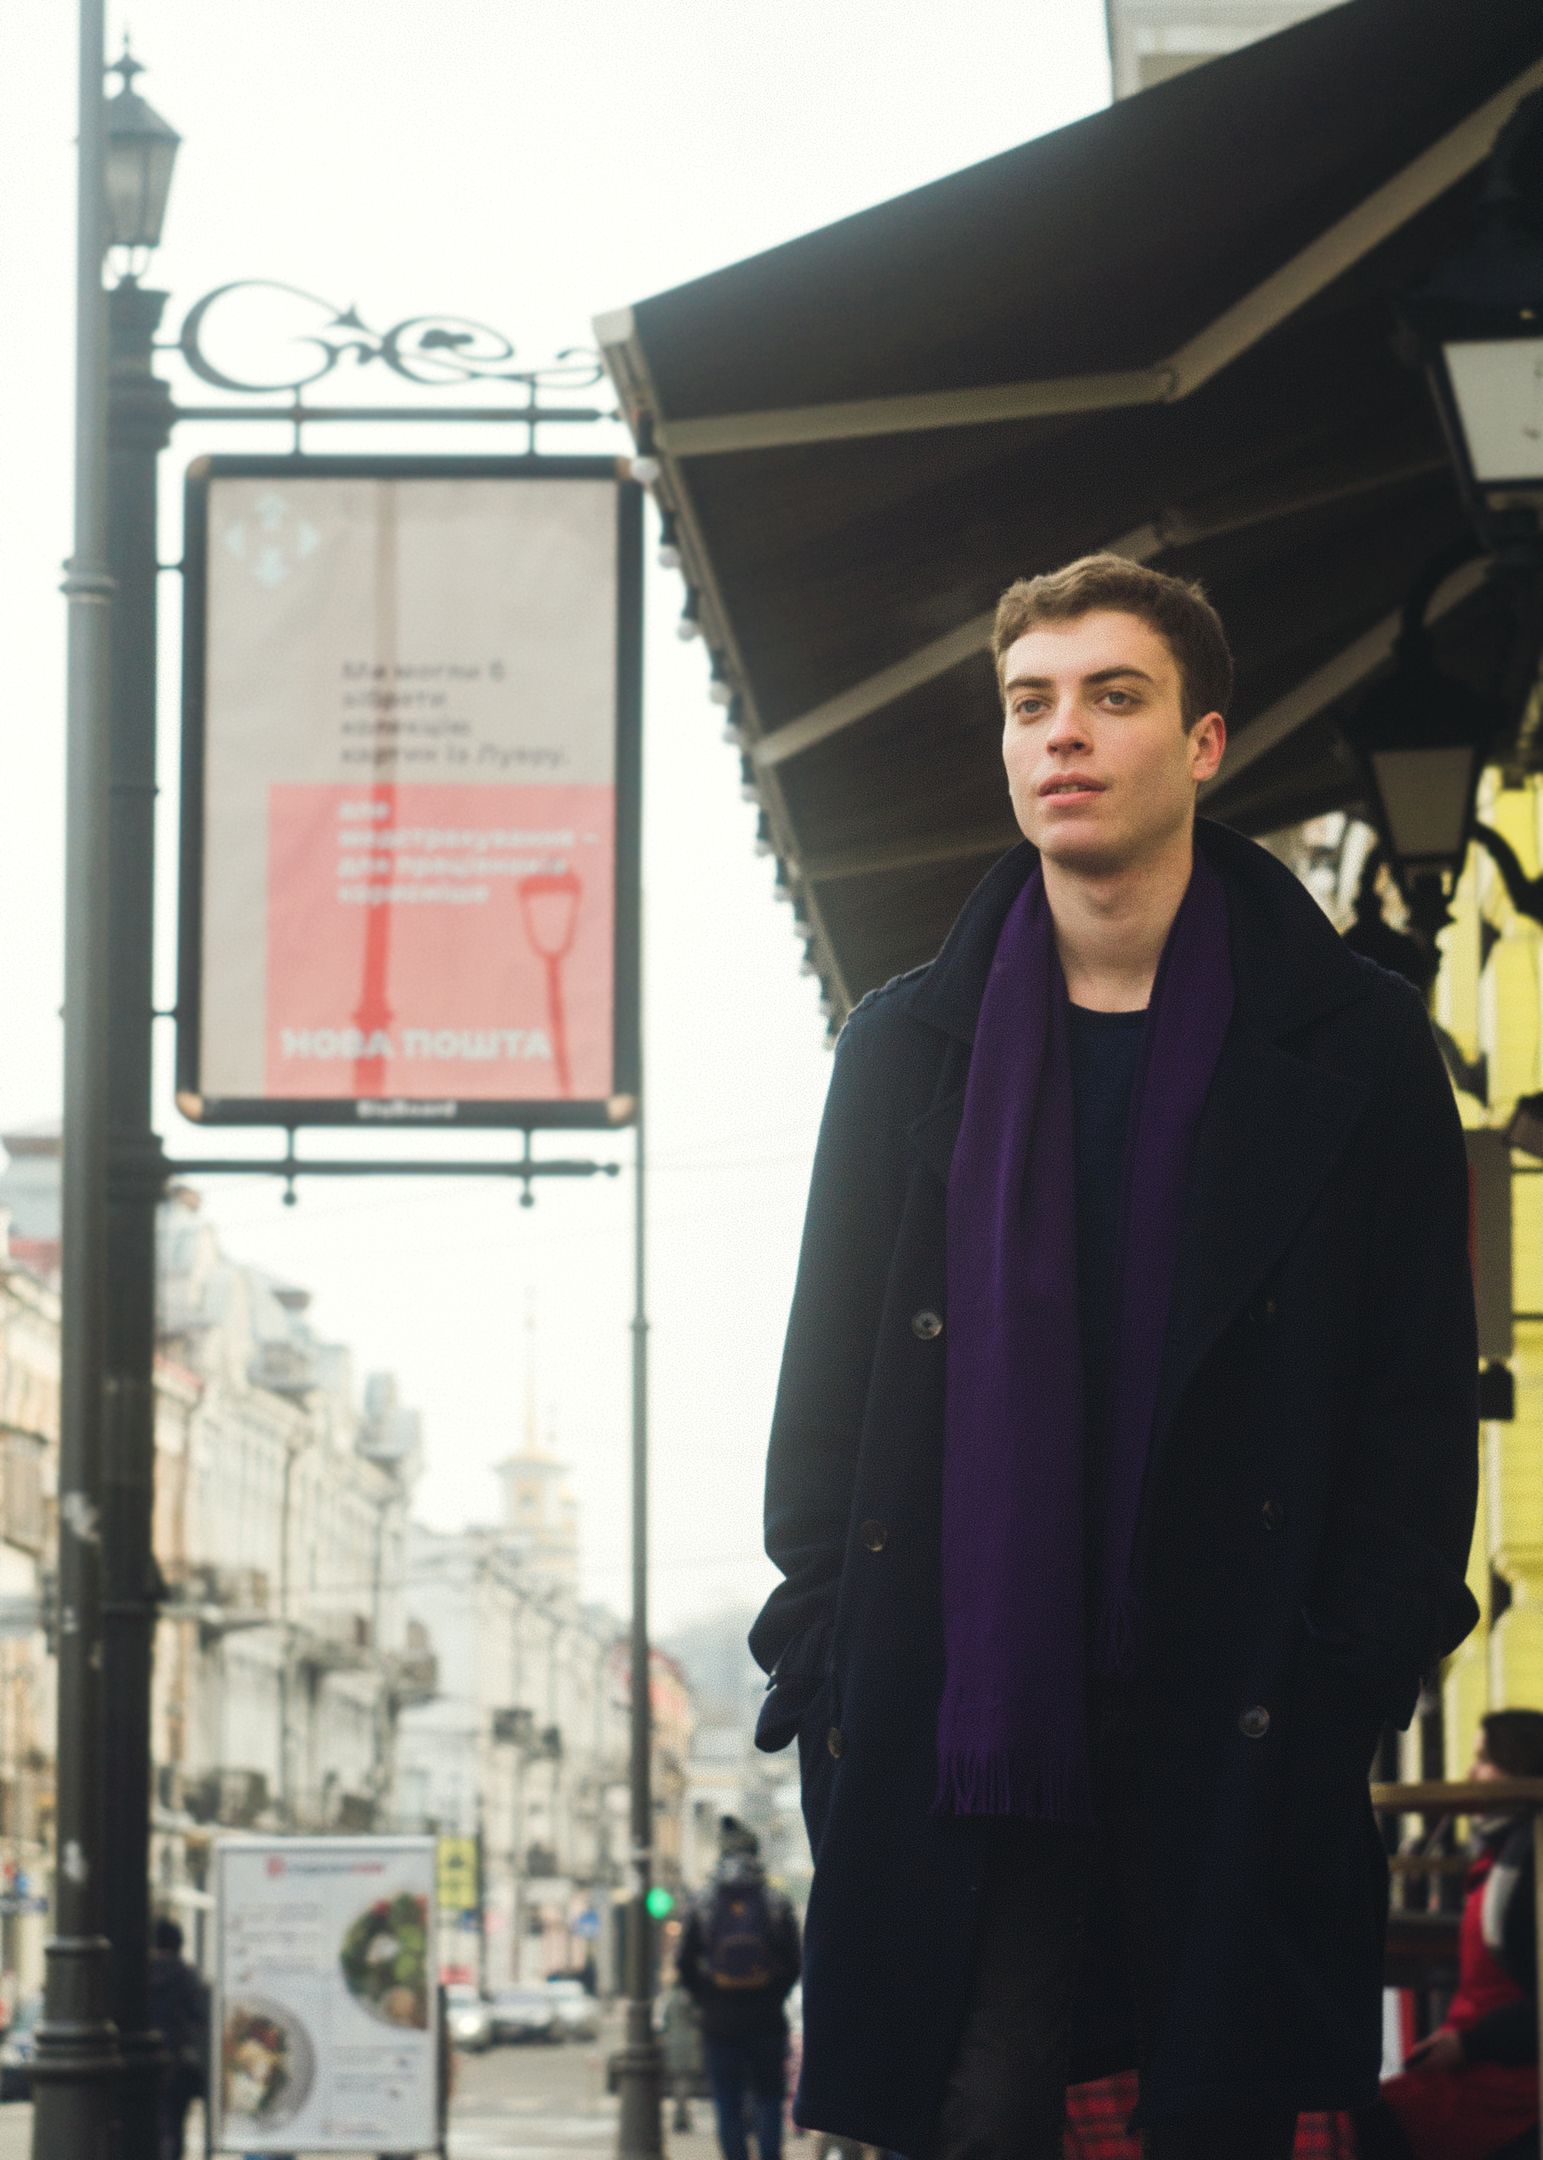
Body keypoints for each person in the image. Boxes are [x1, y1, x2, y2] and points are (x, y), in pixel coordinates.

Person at [750, 554, 1482, 2160]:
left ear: (1203, 743)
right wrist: (829, 1660)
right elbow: (824, 1410)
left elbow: (1415, 1407)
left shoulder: (1352, 1047)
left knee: (1222, 2122)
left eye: (1111, 696)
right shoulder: (903, 1052)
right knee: (977, 2112)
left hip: (1238, 1718)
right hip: (970, 1726)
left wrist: (1349, 1671)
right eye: (1028, 704)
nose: (1060, 734)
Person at [1355, 1708, 1543, 2160]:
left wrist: (1468, 2043)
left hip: (1512, 2084)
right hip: (1484, 2062)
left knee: (1364, 2127)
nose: (1471, 1775)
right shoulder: (1505, 1853)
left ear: (1520, 1769)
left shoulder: (1527, 1863)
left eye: (1486, 1761)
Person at [678, 1819, 801, 2160]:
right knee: (769, 2098)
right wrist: (772, 1994)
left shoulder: (703, 1901)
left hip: (719, 2023)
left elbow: (685, 1963)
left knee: (727, 2101)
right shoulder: (775, 1901)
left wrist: (707, 1998)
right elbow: (795, 1961)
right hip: (766, 2020)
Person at [149, 1915, 207, 2160]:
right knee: (175, 2124)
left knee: (152, 2121)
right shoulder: (186, 1975)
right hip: (179, 2062)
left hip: (147, 2061)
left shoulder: (141, 1975)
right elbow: (200, 2015)